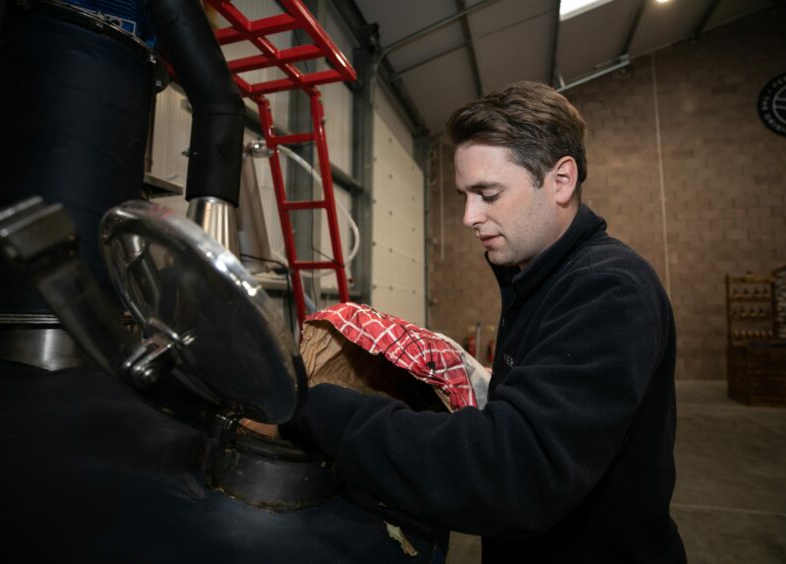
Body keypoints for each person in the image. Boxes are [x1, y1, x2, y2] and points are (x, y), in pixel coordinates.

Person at [286, 80, 687, 563]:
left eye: (488, 194)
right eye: (463, 195)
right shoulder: (536, 274)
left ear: (561, 181)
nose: (469, 216)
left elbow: (512, 474)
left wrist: (318, 409)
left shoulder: (609, 289)